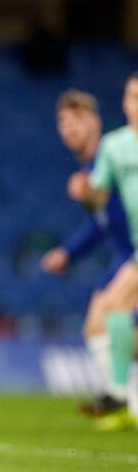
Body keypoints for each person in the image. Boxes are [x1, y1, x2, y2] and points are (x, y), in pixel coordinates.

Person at [40, 90, 133, 416]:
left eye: (75, 120)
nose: (68, 129)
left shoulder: (117, 153)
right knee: (99, 325)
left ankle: (123, 398)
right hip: (125, 254)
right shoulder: (93, 167)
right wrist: (69, 253)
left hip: (132, 254)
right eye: (62, 123)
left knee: (108, 318)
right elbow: (102, 221)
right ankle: (121, 400)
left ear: (94, 121)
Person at [69, 72, 138, 430]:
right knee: (112, 310)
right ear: (125, 103)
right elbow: (100, 196)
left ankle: (121, 394)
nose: (135, 103)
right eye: (132, 96)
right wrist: (86, 194)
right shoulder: (115, 146)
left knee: (112, 309)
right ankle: (122, 396)